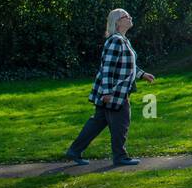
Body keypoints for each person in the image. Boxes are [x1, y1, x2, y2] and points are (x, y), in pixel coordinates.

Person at [65, 8, 156, 166]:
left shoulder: (122, 39)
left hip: (112, 91)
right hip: (115, 92)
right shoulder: (116, 40)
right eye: (126, 16)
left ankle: (75, 150)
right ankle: (120, 156)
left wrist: (142, 74)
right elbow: (107, 68)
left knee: (97, 123)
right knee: (122, 122)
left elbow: (127, 66)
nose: (130, 17)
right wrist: (107, 92)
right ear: (118, 22)